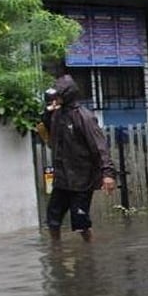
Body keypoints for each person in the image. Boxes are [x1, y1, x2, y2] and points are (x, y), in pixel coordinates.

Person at [42, 75, 117, 241]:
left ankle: (89, 253)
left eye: (58, 96)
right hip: (62, 178)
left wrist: (107, 174)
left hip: (82, 179)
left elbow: (100, 146)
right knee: (52, 219)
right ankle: (56, 252)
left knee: (81, 222)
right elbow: (46, 129)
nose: (55, 99)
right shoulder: (56, 114)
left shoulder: (84, 117)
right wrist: (46, 114)